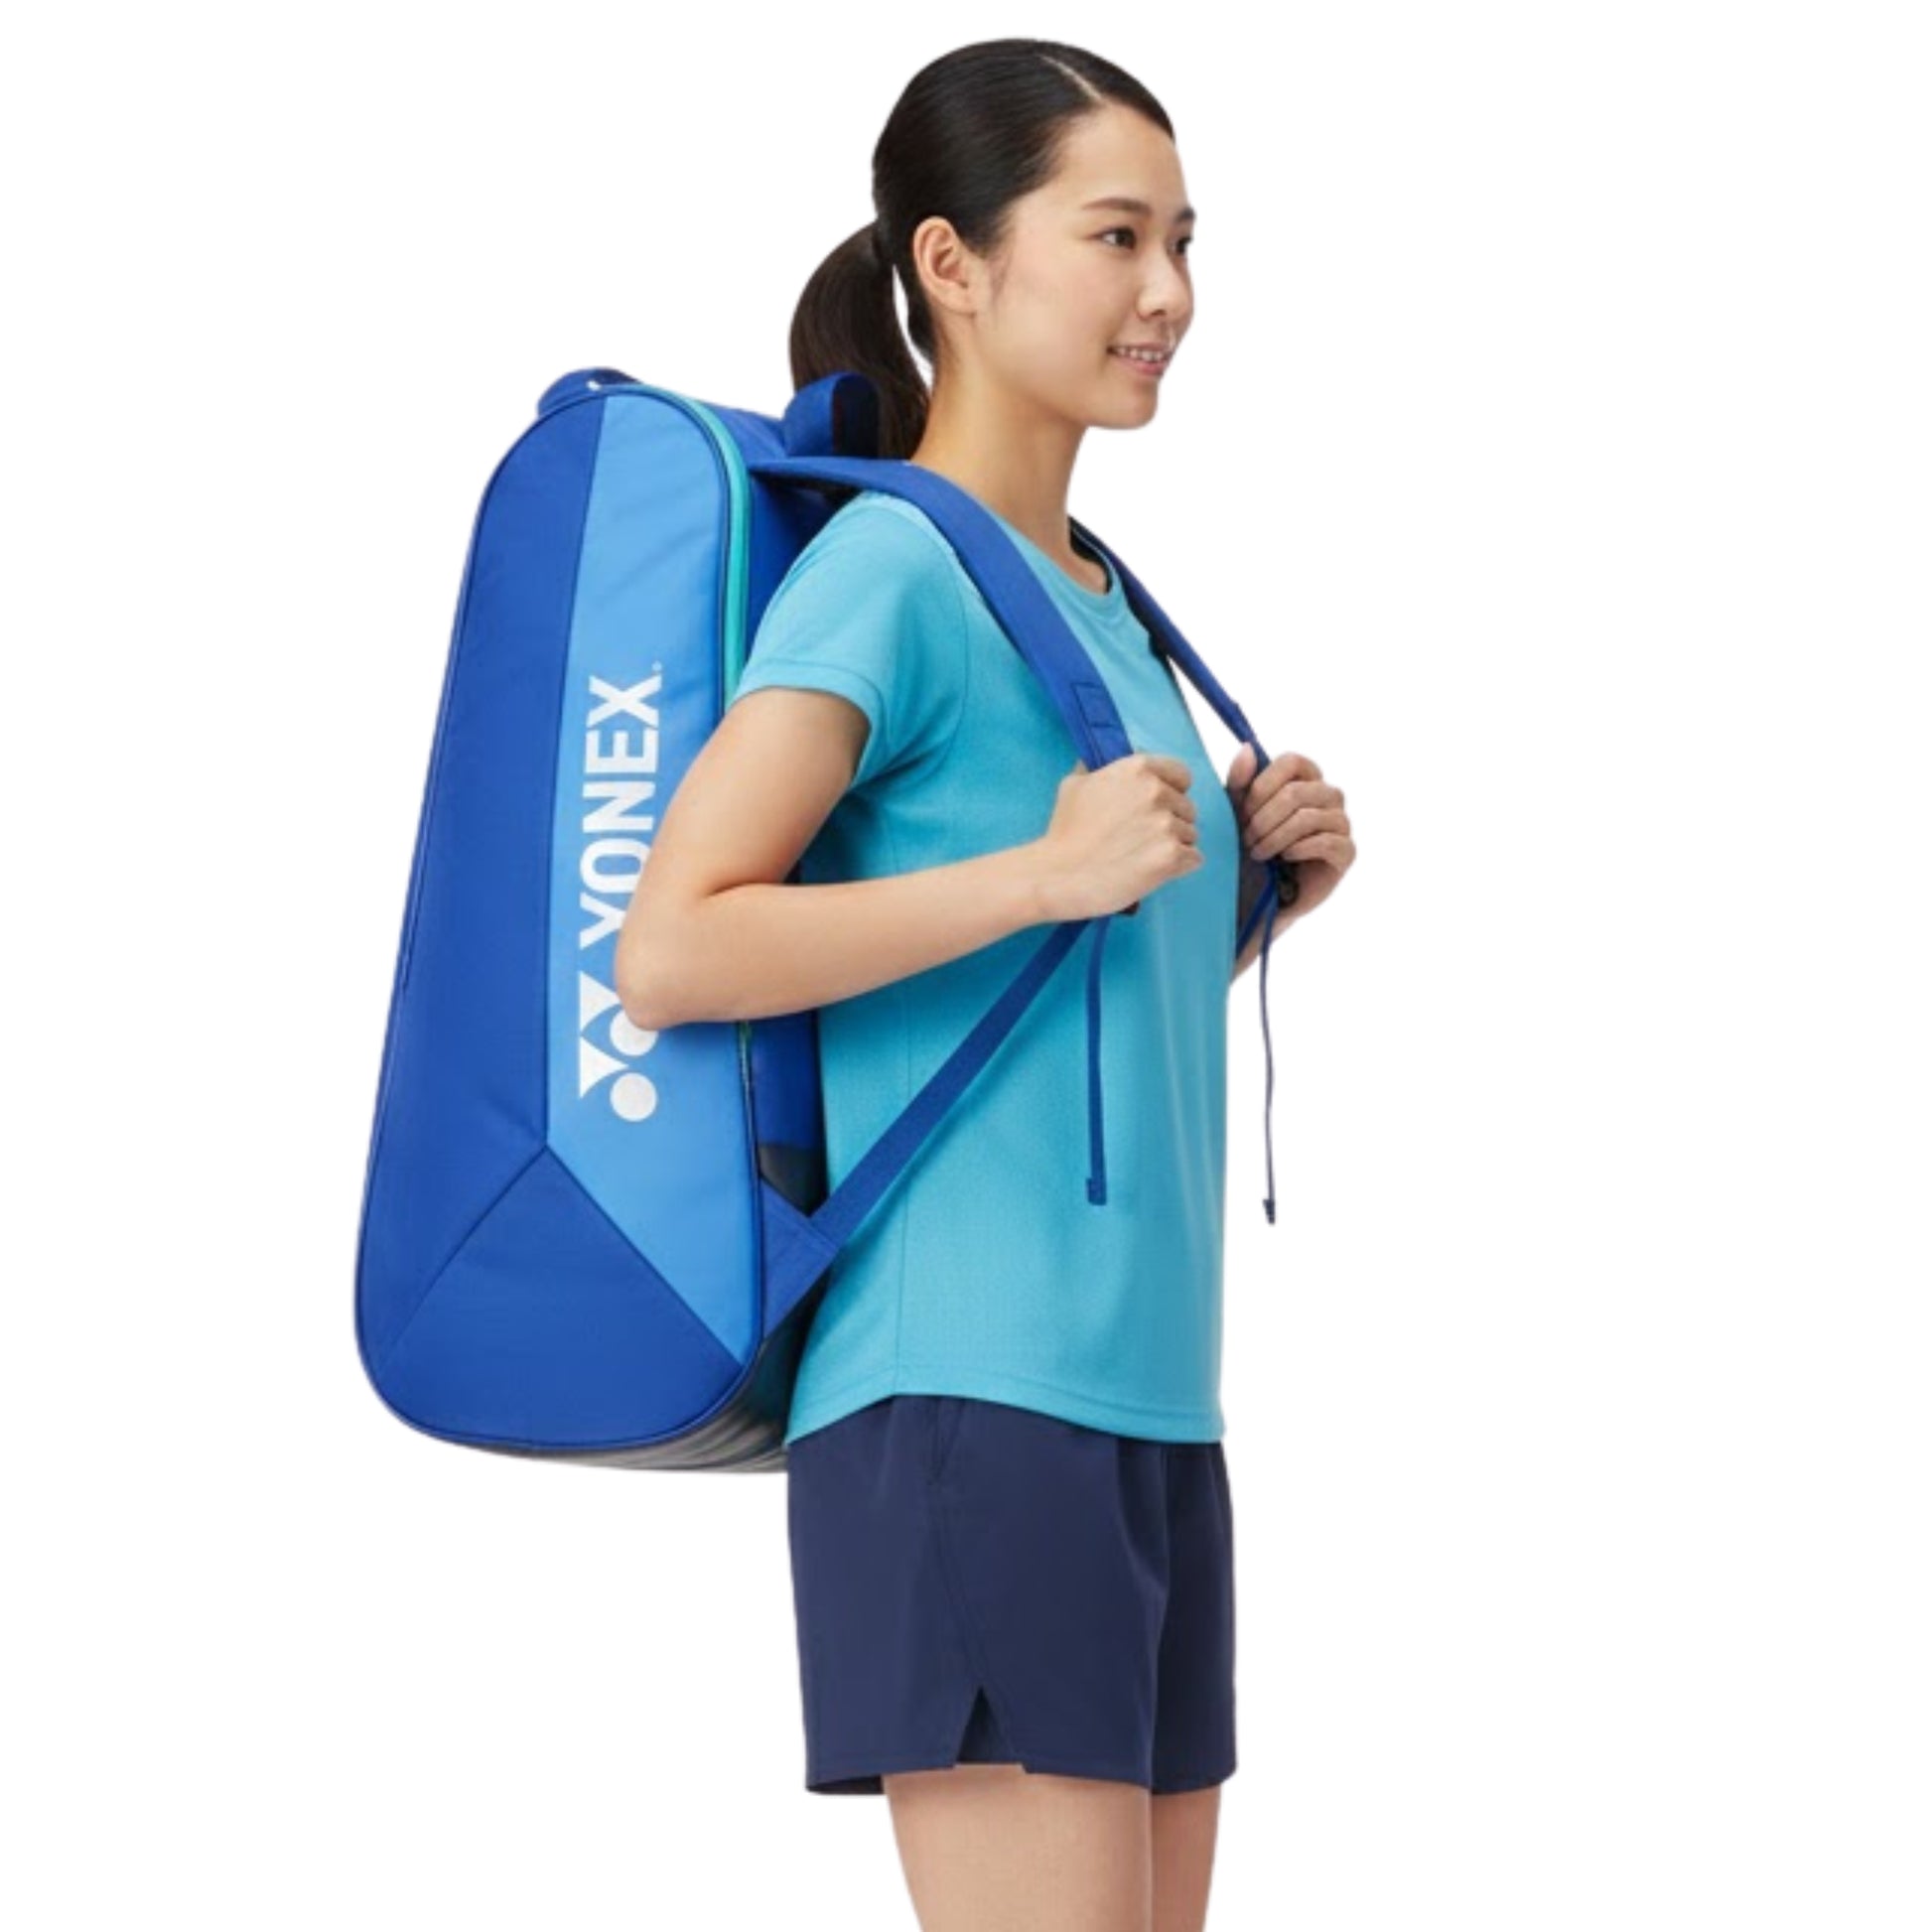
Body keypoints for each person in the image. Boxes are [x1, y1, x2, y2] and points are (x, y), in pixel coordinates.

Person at [617, 37, 1355, 1932]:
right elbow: (675, 942)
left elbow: (1048, 985)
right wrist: (1043, 868)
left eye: (1183, 241)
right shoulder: (890, 569)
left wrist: (1245, 897)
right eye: (1114, 236)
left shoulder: (1097, 594)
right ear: (951, 263)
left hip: (1150, 1406)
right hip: (962, 1395)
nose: (1165, 291)